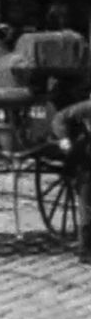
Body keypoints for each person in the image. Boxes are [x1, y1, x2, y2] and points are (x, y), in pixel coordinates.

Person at [50, 95, 91, 263]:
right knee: (87, 206)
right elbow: (59, 118)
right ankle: (85, 251)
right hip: (86, 164)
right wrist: (64, 139)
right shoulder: (87, 107)